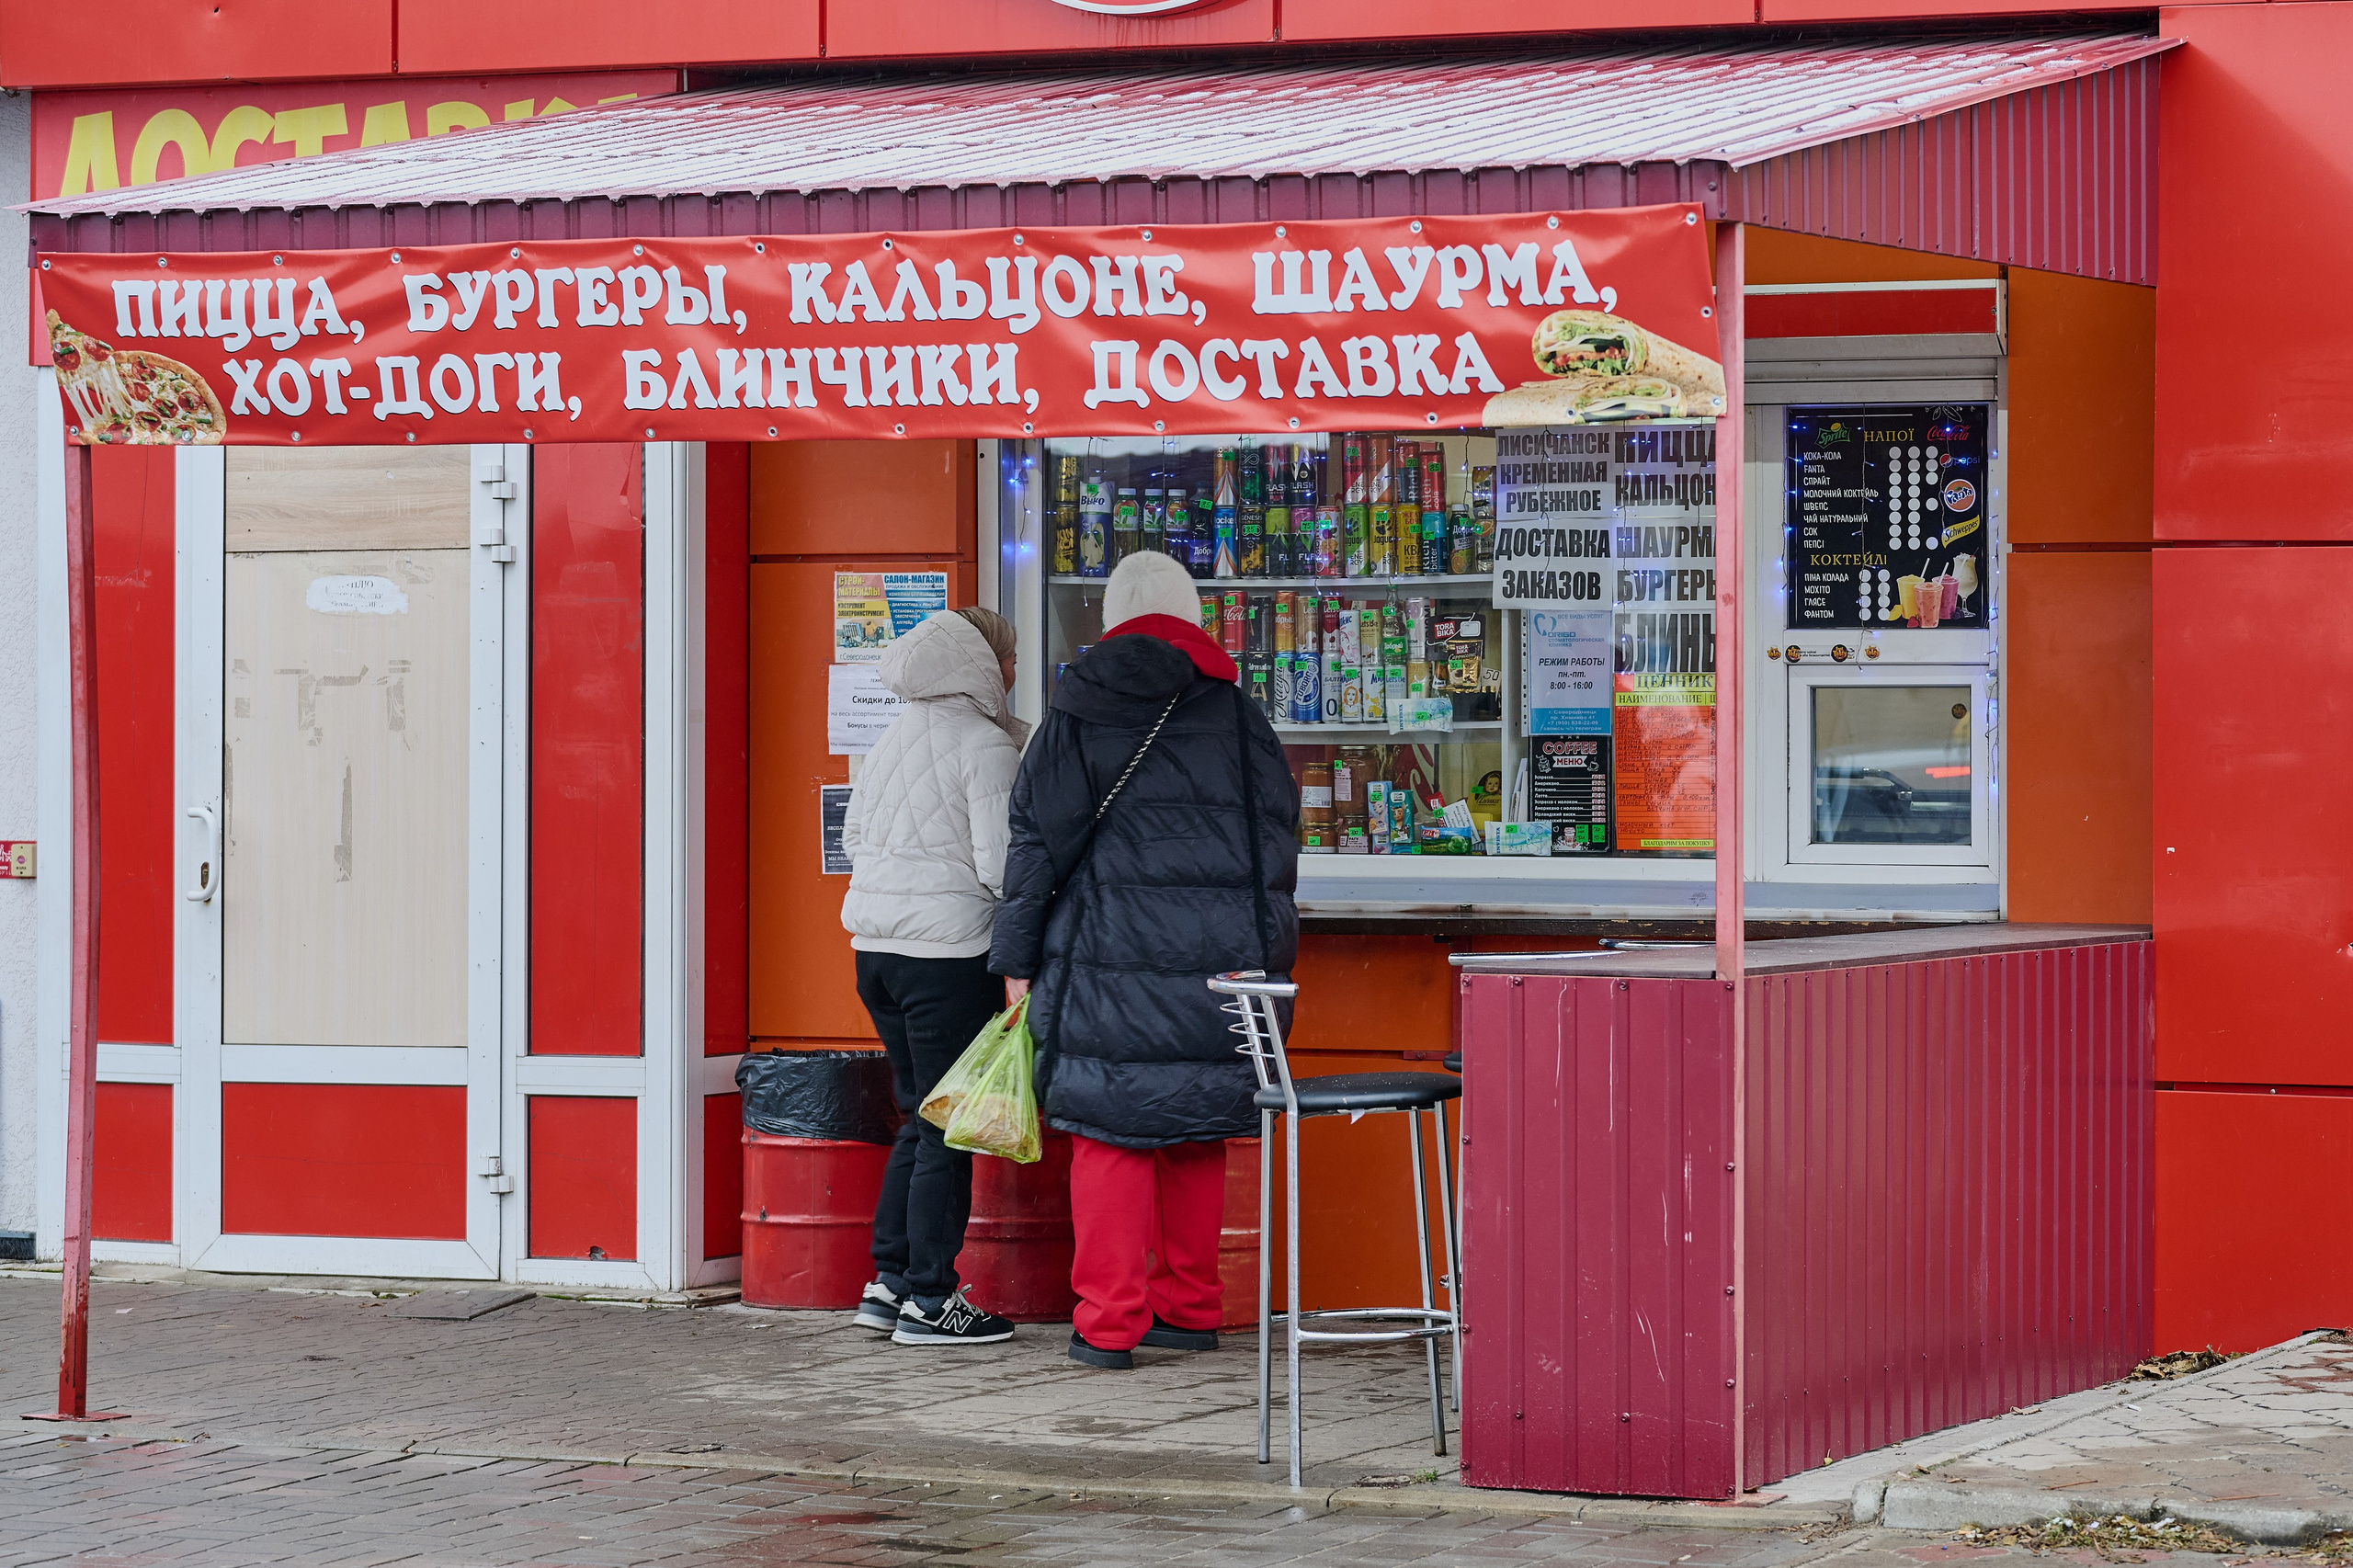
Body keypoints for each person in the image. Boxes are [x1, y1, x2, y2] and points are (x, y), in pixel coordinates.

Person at [991, 551, 1300, 1369]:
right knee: (1197, 1129)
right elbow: (1277, 849)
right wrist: (1267, 960)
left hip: (1104, 955)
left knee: (1110, 1132)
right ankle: (1190, 1309)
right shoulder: (1240, 715)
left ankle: (1108, 1323)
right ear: (1195, 616)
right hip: (1223, 960)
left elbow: (1034, 846)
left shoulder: (1076, 710)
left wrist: (1016, 959)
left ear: (1112, 619)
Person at [840, 606, 1028, 1346]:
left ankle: (889, 1282)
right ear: (984, 664)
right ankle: (931, 1300)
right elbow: (1004, 869)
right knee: (948, 1127)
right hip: (946, 958)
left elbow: (854, 838)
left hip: (875, 953)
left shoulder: (891, 738)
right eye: (1009, 659)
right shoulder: (983, 746)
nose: (1015, 672)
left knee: (918, 1118)